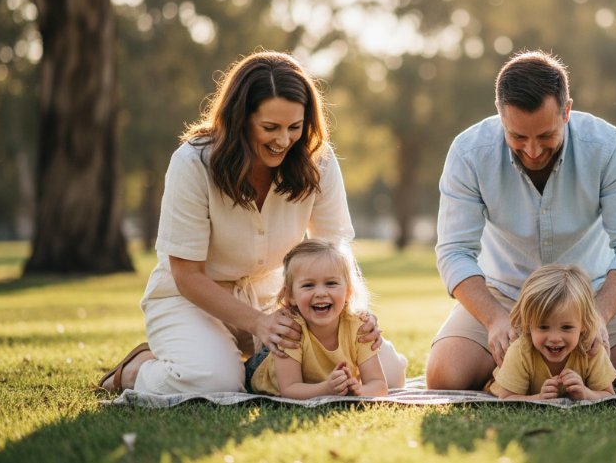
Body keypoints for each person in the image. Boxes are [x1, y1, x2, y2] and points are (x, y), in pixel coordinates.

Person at [98, 51, 406, 395]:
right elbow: (187, 275)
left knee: (388, 371)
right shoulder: (193, 163)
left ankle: (241, 364)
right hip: (192, 296)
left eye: (295, 127)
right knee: (216, 382)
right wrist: (258, 323)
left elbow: (336, 251)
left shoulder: (319, 160)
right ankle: (136, 370)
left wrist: (355, 315)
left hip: (273, 296)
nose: (284, 140)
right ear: (240, 120)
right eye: (270, 128)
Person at [426, 50, 616, 394]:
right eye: (517, 138)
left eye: (545, 136)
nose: (531, 151)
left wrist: (598, 316)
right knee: (444, 377)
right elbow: (454, 252)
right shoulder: (469, 152)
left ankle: (533, 375)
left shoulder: (608, 146)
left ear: (566, 111)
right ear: (500, 115)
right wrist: (493, 319)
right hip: (505, 299)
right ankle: (522, 373)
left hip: (591, 298)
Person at [245, 239, 388, 398]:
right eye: (308, 285)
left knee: (394, 371)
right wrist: (326, 389)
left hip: (321, 382)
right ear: (291, 296)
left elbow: (379, 384)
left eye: (331, 283)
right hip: (265, 373)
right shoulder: (290, 331)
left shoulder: (359, 327)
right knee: (230, 380)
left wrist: (360, 391)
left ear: (348, 292)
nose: (320, 293)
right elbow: (290, 389)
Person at [488, 264, 616, 401]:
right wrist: (538, 398)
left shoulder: (591, 349)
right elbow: (506, 398)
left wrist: (587, 394)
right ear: (528, 324)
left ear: (584, 324)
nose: (555, 338)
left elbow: (608, 395)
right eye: (543, 327)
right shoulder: (520, 351)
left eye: (566, 327)